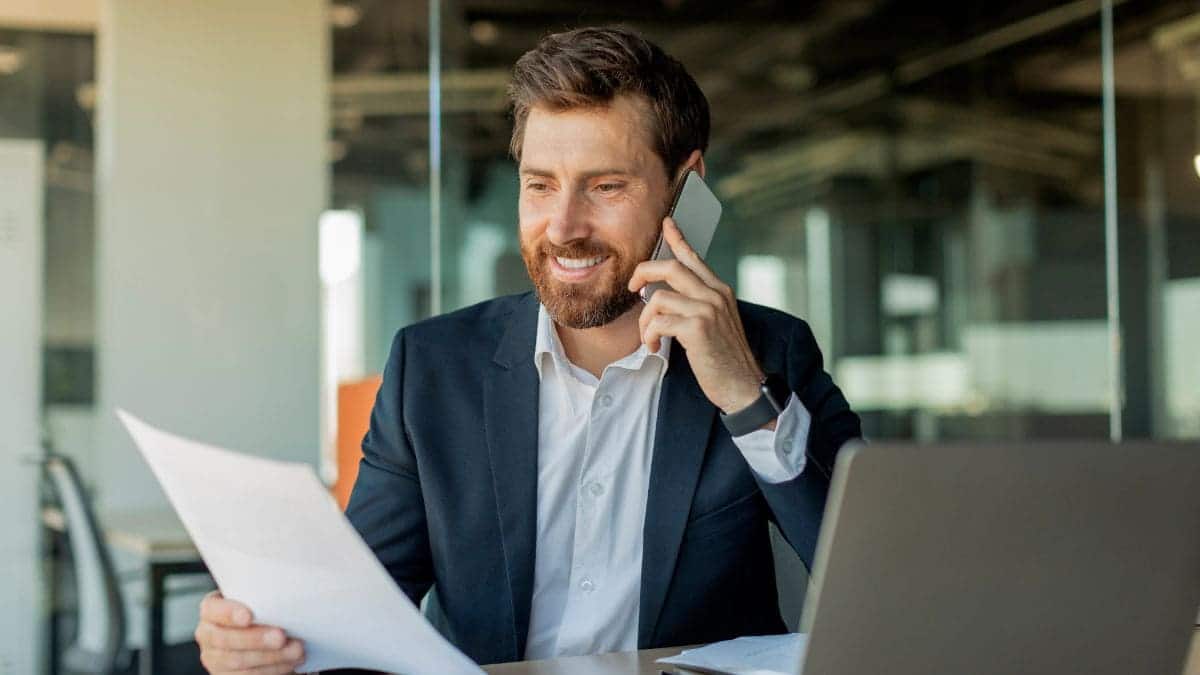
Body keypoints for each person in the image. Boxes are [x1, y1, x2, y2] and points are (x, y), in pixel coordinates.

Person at [193, 25, 861, 674]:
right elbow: (361, 610)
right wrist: (266, 641)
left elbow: (874, 586)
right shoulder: (432, 368)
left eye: (606, 187)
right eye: (540, 184)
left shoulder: (770, 350)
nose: (563, 227)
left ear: (685, 188)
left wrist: (747, 398)